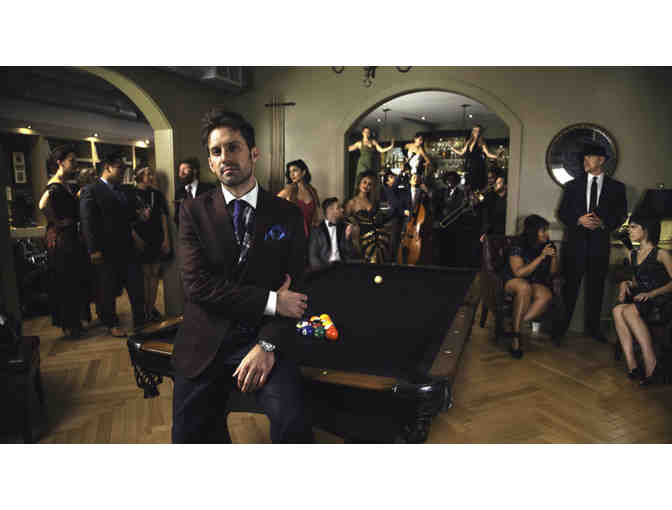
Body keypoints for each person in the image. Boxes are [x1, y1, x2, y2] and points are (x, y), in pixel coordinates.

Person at [173, 108, 313, 443]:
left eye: (233, 147)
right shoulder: (192, 211)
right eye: (216, 151)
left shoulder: (287, 214)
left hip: (262, 337)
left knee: (293, 423)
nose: (225, 157)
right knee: (188, 437)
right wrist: (272, 300)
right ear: (210, 163)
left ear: (253, 153)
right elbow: (197, 287)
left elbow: (298, 288)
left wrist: (267, 344)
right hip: (204, 341)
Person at [557, 144, 627, 343]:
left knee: (596, 290)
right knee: (569, 289)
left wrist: (604, 223)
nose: (585, 161)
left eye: (590, 157)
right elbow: (562, 212)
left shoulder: (617, 187)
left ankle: (594, 330)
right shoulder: (572, 186)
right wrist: (579, 220)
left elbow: (621, 215)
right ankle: (560, 330)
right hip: (575, 247)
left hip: (599, 247)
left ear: (601, 160)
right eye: (584, 157)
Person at [79, 151, 147, 337]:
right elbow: (87, 222)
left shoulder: (123, 190)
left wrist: (139, 218)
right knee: (108, 290)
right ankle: (111, 324)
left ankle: (141, 323)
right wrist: (93, 250)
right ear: (107, 168)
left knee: (136, 287)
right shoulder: (91, 190)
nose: (123, 171)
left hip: (128, 248)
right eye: (120, 168)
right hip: (106, 250)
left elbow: (127, 218)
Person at [38, 145, 91, 338]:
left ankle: (74, 322)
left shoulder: (66, 184)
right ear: (60, 162)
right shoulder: (54, 184)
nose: (75, 164)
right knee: (66, 280)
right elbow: (42, 204)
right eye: (71, 160)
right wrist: (56, 222)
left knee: (74, 279)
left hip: (70, 237)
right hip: (63, 239)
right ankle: (70, 325)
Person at [612, 216, 672, 385]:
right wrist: (626, 283)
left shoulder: (661, 254)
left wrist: (652, 294)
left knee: (629, 310)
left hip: (660, 299)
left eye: (633, 227)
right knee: (617, 310)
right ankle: (633, 366)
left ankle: (651, 364)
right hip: (642, 298)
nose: (629, 230)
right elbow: (639, 282)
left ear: (645, 230)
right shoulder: (633, 254)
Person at [502, 214, 559, 358]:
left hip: (533, 281)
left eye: (546, 230)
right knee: (524, 287)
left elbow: (552, 273)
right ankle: (516, 339)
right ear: (533, 231)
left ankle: (515, 326)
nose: (546, 234)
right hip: (512, 280)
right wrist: (541, 257)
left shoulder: (547, 245)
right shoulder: (518, 244)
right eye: (543, 230)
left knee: (545, 295)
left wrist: (553, 258)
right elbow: (519, 273)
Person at [132, 166, 171, 322]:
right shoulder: (131, 194)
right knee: (144, 275)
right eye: (148, 174)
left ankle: (150, 309)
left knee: (154, 274)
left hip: (156, 238)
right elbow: (126, 221)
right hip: (141, 240)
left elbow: (163, 217)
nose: (151, 177)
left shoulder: (157, 194)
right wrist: (136, 238)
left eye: (151, 174)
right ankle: (145, 310)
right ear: (139, 176)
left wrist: (166, 239)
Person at [345, 171, 388, 263]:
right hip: (362, 239)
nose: (366, 186)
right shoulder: (352, 202)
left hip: (378, 237)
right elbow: (346, 222)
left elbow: (379, 221)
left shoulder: (373, 201)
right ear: (359, 183)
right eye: (364, 182)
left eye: (369, 184)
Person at [277, 159, 322, 237]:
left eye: (295, 170)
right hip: (294, 235)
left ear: (303, 172)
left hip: (312, 234)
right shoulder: (289, 190)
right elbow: (272, 206)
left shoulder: (312, 191)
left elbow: (317, 214)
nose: (292, 174)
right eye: (290, 172)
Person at [308, 197, 354, 271]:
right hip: (324, 268)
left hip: (342, 267)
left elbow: (350, 253)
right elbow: (312, 256)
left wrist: (347, 237)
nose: (342, 210)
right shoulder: (316, 230)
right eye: (338, 207)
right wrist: (323, 272)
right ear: (330, 210)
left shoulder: (344, 227)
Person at [448, 124, 498, 191]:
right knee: (469, 186)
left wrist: (497, 156)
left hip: (478, 166)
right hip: (469, 166)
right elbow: (461, 153)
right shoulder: (468, 142)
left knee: (477, 185)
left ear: (480, 132)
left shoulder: (481, 142)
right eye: (474, 130)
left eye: (477, 130)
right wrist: (452, 148)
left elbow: (488, 154)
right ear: (472, 131)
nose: (475, 132)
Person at [348, 127, 394, 194]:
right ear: (363, 133)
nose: (367, 133)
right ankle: (358, 195)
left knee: (370, 180)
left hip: (371, 163)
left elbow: (381, 150)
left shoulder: (373, 142)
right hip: (362, 164)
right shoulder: (359, 143)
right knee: (361, 180)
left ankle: (370, 196)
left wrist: (390, 147)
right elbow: (348, 149)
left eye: (368, 132)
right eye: (365, 132)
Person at [174, 157, 215, 227]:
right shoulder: (179, 192)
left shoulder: (209, 188)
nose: (181, 173)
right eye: (180, 170)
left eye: (184, 169)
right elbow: (177, 217)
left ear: (194, 171)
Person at [436, 171, 465, 267]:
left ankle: (451, 264)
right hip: (443, 223)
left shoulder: (460, 193)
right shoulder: (442, 191)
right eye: (448, 180)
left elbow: (460, 206)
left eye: (452, 179)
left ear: (456, 181)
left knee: (452, 246)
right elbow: (438, 205)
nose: (450, 182)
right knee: (442, 245)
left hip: (454, 223)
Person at [480, 172, 508, 242]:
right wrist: (484, 232)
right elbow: (487, 217)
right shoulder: (491, 197)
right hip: (492, 233)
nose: (496, 184)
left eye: (499, 183)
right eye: (496, 182)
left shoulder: (508, 199)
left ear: (506, 185)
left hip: (503, 233)